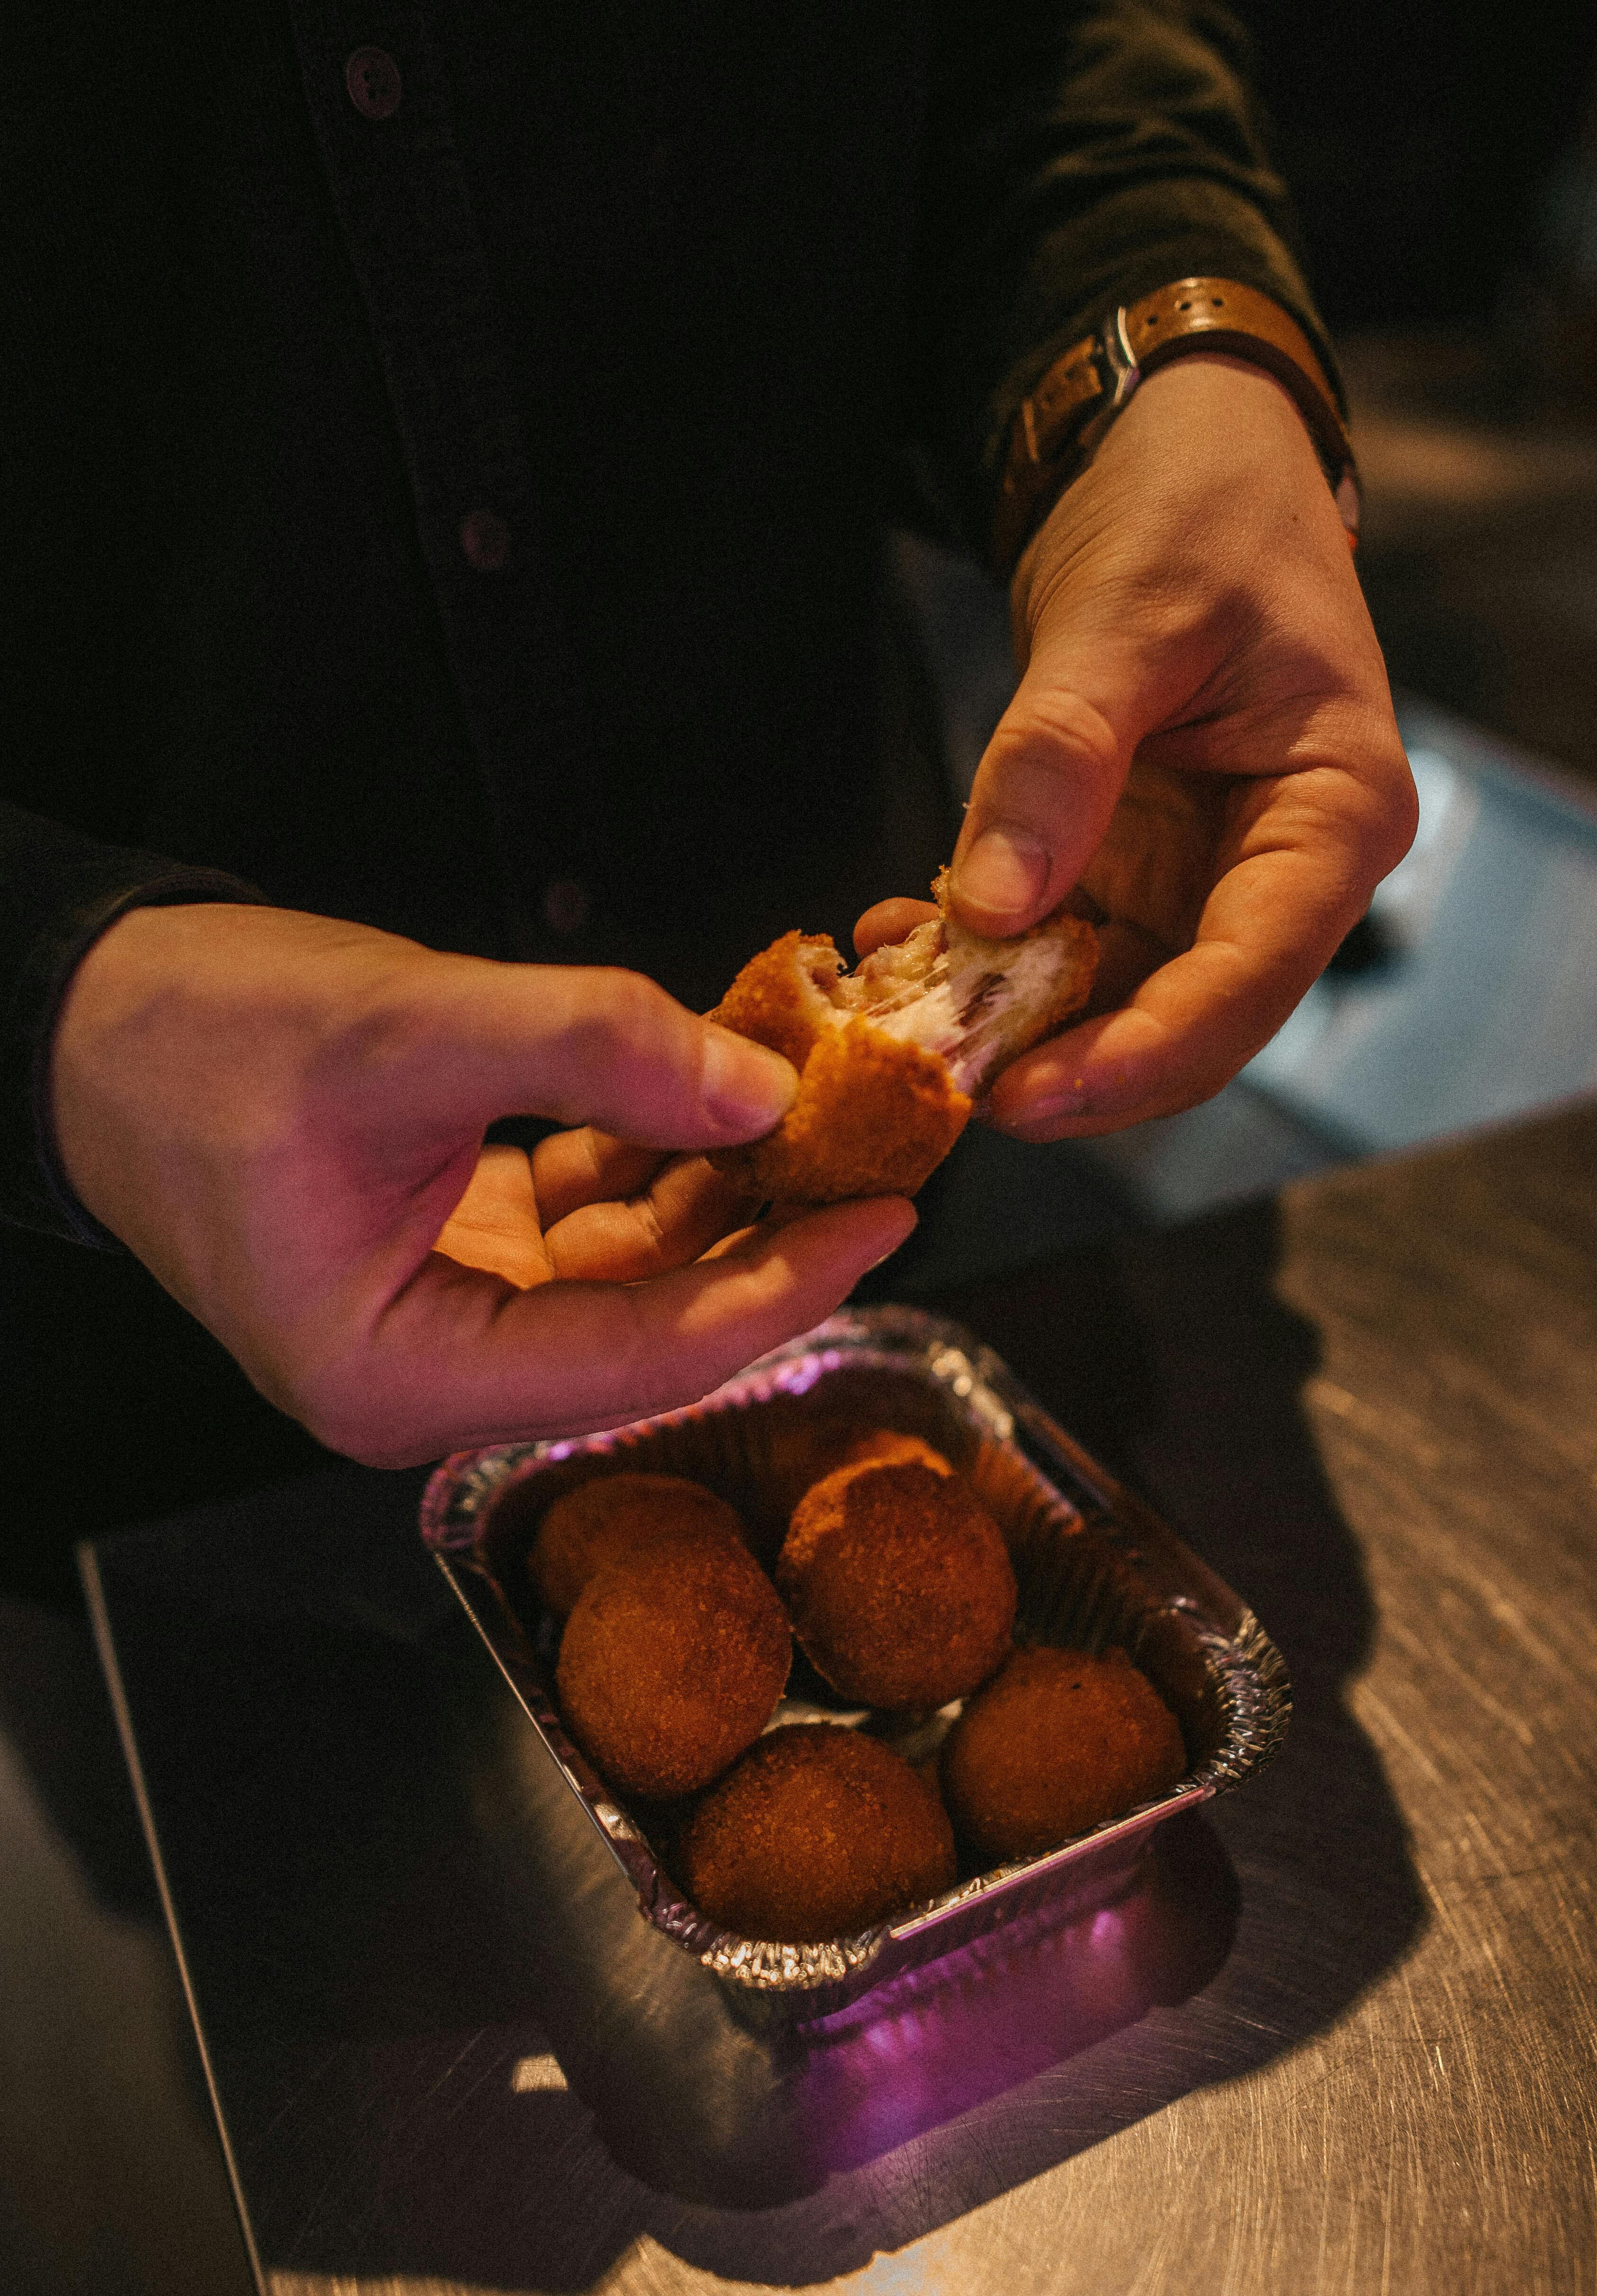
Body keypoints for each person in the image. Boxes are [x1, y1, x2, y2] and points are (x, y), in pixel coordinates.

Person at [1, 1, 1414, 1598]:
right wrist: (58, 1005)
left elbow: (1047, 51)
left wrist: (1174, 369)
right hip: (109, 1404)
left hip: (903, 1253)